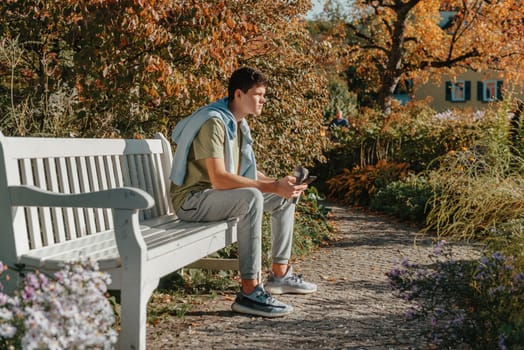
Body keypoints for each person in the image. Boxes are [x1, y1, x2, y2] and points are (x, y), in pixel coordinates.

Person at [169, 67, 317, 318]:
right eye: (258, 94)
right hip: (192, 201)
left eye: (263, 95)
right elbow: (219, 178)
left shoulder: (237, 124)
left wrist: (280, 184)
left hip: (214, 198)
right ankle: (249, 291)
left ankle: (280, 275)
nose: (263, 100)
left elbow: (243, 174)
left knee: (285, 196)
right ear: (239, 94)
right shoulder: (214, 122)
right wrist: (271, 187)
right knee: (252, 197)